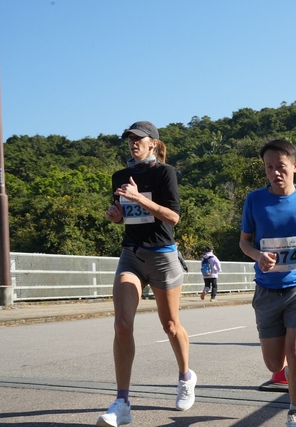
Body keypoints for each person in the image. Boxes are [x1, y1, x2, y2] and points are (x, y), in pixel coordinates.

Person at [99, 121, 196, 427]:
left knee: (170, 325)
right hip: (132, 255)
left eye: (139, 139)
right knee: (121, 324)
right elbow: (124, 216)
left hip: (163, 256)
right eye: (130, 139)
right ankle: (122, 402)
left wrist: (139, 198)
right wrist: (116, 216)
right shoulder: (119, 176)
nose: (133, 143)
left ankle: (185, 377)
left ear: (153, 143)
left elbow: (173, 217)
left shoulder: (165, 173)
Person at [239, 139, 296, 427]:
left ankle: (295, 412)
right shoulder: (255, 200)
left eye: (280, 166)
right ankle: (291, 381)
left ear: (295, 165)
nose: (275, 173)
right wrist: (258, 255)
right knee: (274, 363)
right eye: (269, 167)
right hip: (267, 289)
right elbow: (244, 242)